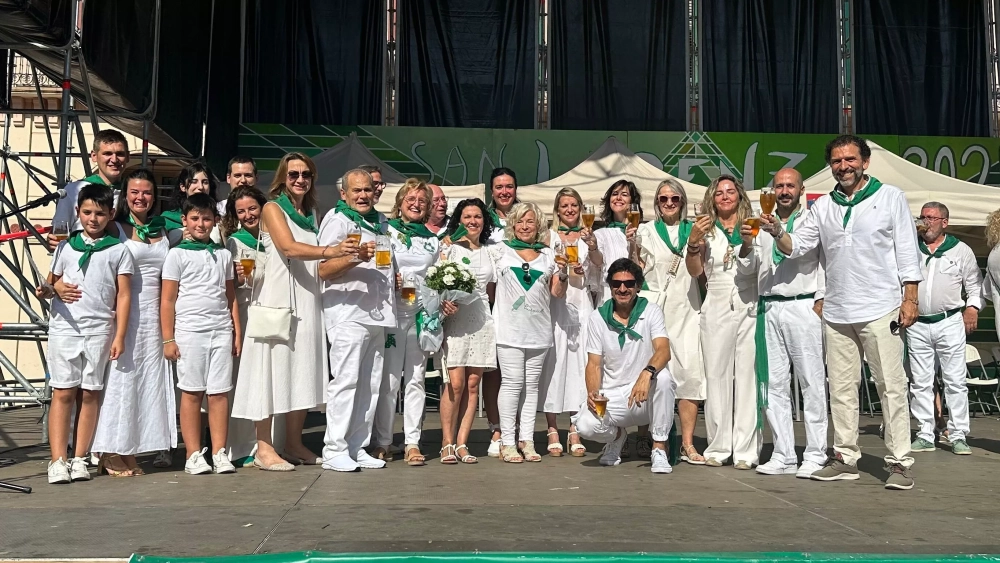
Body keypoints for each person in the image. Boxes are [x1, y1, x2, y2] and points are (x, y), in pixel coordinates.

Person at [761, 134, 922, 490]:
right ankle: (845, 458)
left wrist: (910, 297)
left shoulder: (890, 196)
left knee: (891, 386)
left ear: (865, 162)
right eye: (836, 161)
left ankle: (899, 462)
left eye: (850, 159)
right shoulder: (823, 206)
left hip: (881, 307)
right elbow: (797, 247)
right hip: (837, 310)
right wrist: (776, 230)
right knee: (842, 390)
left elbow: (907, 250)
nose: (843, 166)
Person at [232, 153, 340, 471]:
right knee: (268, 373)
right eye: (293, 174)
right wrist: (331, 250)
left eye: (306, 174)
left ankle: (293, 444)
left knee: (302, 372)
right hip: (277, 300)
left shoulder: (312, 213)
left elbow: (316, 264)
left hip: (307, 301)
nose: (300, 179)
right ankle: (264, 448)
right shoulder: (272, 208)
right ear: (283, 177)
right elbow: (289, 247)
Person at [735, 168, 828, 478]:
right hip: (769, 306)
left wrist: (821, 298)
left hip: (802, 304)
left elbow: (812, 256)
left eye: (790, 186)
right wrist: (746, 244)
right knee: (773, 384)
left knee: (811, 382)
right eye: (779, 186)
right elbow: (748, 269)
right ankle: (784, 453)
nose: (784, 191)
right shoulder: (760, 221)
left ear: (801, 190)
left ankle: (815, 453)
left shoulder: (811, 219)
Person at [40, 184, 134, 483]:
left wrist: (119, 335)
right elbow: (49, 284)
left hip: (99, 329)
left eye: (100, 213)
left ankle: (80, 457)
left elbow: (124, 295)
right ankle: (58, 459)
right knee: (63, 391)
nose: (93, 219)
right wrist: (51, 289)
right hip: (66, 328)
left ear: (111, 214)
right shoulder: (66, 247)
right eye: (87, 212)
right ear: (78, 212)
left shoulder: (119, 250)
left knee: (91, 393)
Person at [90, 169, 175, 476]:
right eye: (135, 192)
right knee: (121, 382)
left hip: (155, 316)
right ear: (125, 196)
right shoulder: (115, 227)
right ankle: (109, 450)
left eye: (147, 192)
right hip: (126, 312)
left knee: (146, 382)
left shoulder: (163, 229)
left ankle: (130, 449)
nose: (141, 198)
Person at [317, 168, 395, 472]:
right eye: (357, 190)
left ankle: (356, 446)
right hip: (348, 312)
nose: (363, 195)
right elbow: (322, 269)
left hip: (378, 312)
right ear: (344, 193)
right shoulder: (337, 219)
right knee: (346, 381)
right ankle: (334, 448)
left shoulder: (381, 221)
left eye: (368, 190)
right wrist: (355, 257)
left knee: (370, 384)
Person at [160, 193, 241, 475]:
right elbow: (167, 299)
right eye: (195, 218)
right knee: (192, 392)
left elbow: (230, 297)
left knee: (219, 393)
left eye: (206, 218)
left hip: (220, 331)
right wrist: (168, 338)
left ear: (215, 220)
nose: (201, 224)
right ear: (185, 220)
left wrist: (236, 332)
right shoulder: (176, 254)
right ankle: (193, 454)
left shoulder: (223, 254)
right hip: (190, 332)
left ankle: (219, 452)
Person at [573, 258, 676, 474]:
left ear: (638, 286)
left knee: (664, 378)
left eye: (629, 283)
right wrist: (593, 393)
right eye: (616, 283)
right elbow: (594, 364)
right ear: (610, 286)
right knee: (584, 426)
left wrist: (646, 374)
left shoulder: (651, 311)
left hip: (644, 395)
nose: (622, 289)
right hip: (613, 397)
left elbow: (663, 350)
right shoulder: (597, 318)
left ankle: (658, 447)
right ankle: (617, 437)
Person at [686, 174, 759, 469]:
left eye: (730, 191)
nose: (725, 196)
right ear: (712, 199)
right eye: (719, 193)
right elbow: (695, 271)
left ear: (739, 195)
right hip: (716, 301)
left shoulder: (752, 225)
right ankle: (718, 447)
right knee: (716, 376)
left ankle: (746, 451)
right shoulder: (706, 229)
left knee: (747, 377)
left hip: (749, 301)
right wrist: (692, 243)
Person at [371, 179, 444, 466]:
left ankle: (412, 442)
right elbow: (377, 266)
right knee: (389, 381)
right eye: (410, 199)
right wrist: (390, 279)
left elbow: (437, 276)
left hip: (420, 315)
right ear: (400, 203)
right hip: (391, 314)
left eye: (422, 201)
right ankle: (383, 441)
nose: (416, 204)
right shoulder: (386, 231)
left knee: (416, 380)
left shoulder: (432, 240)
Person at [636, 179, 706, 464]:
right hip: (656, 308)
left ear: (682, 202)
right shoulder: (646, 230)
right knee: (653, 373)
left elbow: (701, 271)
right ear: (656, 202)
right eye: (663, 199)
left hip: (687, 307)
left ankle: (687, 443)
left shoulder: (695, 230)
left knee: (690, 373)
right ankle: (650, 439)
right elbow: (638, 269)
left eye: (674, 199)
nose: (668, 203)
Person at [493, 202, 568, 463]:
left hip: (539, 330)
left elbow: (557, 293)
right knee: (512, 383)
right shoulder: (500, 250)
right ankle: (507, 442)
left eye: (530, 222)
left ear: (539, 226)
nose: (525, 226)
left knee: (532, 386)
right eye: (520, 221)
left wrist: (564, 272)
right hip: (509, 329)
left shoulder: (548, 255)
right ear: (513, 225)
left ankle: (527, 439)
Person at [907, 202, 980, 456]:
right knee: (920, 382)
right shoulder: (910, 247)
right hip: (917, 323)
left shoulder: (961, 250)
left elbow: (974, 284)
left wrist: (972, 308)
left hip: (949, 321)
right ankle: (925, 433)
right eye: (923, 217)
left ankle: (958, 434)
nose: (925, 222)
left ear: (944, 222)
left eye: (931, 218)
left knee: (955, 380)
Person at [539, 188, 599, 457]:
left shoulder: (588, 236)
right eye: (564, 205)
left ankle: (575, 427)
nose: (570, 209)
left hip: (582, 303)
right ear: (557, 209)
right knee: (554, 364)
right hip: (557, 305)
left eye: (574, 205)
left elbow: (599, 267)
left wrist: (589, 261)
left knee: (580, 366)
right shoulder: (549, 236)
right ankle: (552, 427)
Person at [439, 198, 497, 464]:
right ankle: (446, 442)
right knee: (455, 383)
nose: (473, 221)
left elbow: (491, 292)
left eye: (477, 216)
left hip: (482, 320)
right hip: (456, 319)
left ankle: (462, 443)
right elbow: (436, 283)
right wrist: (444, 303)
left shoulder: (490, 251)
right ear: (459, 221)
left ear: (484, 221)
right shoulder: (449, 247)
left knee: (473, 384)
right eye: (467, 217)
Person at [592, 180, 644, 458]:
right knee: (610, 366)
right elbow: (598, 264)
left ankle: (643, 433)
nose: (620, 198)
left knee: (637, 363)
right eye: (615, 194)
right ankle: (616, 432)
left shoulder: (643, 230)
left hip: (635, 302)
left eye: (625, 194)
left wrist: (634, 242)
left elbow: (642, 267)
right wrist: (591, 247)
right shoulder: (600, 232)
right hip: (608, 300)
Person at [222, 185, 269, 466]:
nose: (248, 215)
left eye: (253, 208)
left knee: (266, 380)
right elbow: (231, 286)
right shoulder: (234, 243)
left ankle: (268, 443)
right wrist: (238, 278)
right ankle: (241, 447)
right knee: (242, 380)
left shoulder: (274, 238)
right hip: (246, 314)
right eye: (241, 211)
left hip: (271, 315)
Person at [483, 167, 520, 455]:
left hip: (520, 305)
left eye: (509, 186)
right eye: (499, 187)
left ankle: (517, 428)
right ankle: (496, 428)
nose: (504, 191)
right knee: (493, 370)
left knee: (518, 372)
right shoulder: (483, 219)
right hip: (491, 302)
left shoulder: (526, 216)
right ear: (492, 191)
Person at [50, 130, 130, 245]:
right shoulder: (74, 190)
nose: (114, 159)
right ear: (94, 156)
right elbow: (59, 232)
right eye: (107, 153)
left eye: (120, 154)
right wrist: (54, 241)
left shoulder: (134, 193)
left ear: (128, 157)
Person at [162, 162, 225, 243]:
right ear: (183, 187)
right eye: (194, 182)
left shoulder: (219, 219)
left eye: (205, 182)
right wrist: (180, 239)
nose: (200, 187)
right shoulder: (166, 220)